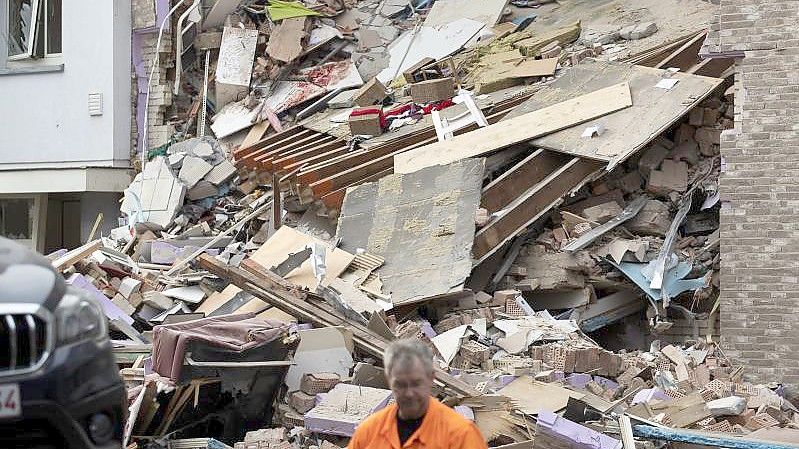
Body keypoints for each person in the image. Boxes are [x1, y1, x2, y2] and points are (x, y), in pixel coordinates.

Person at [347, 339, 488, 449]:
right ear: (388, 380)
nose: (409, 394)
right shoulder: (369, 432)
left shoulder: (461, 435)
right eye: (400, 384)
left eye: (416, 383)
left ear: (431, 378)